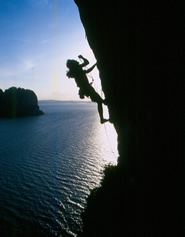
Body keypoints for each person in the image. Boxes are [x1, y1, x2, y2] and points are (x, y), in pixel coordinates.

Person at [66, 55, 108, 124]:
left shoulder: (75, 70)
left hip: (85, 88)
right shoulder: (77, 69)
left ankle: (103, 113)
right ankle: (102, 118)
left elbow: (86, 63)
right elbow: (87, 67)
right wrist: (94, 64)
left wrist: (93, 63)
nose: (76, 61)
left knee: (99, 101)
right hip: (86, 88)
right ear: (73, 64)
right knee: (99, 101)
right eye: (74, 61)